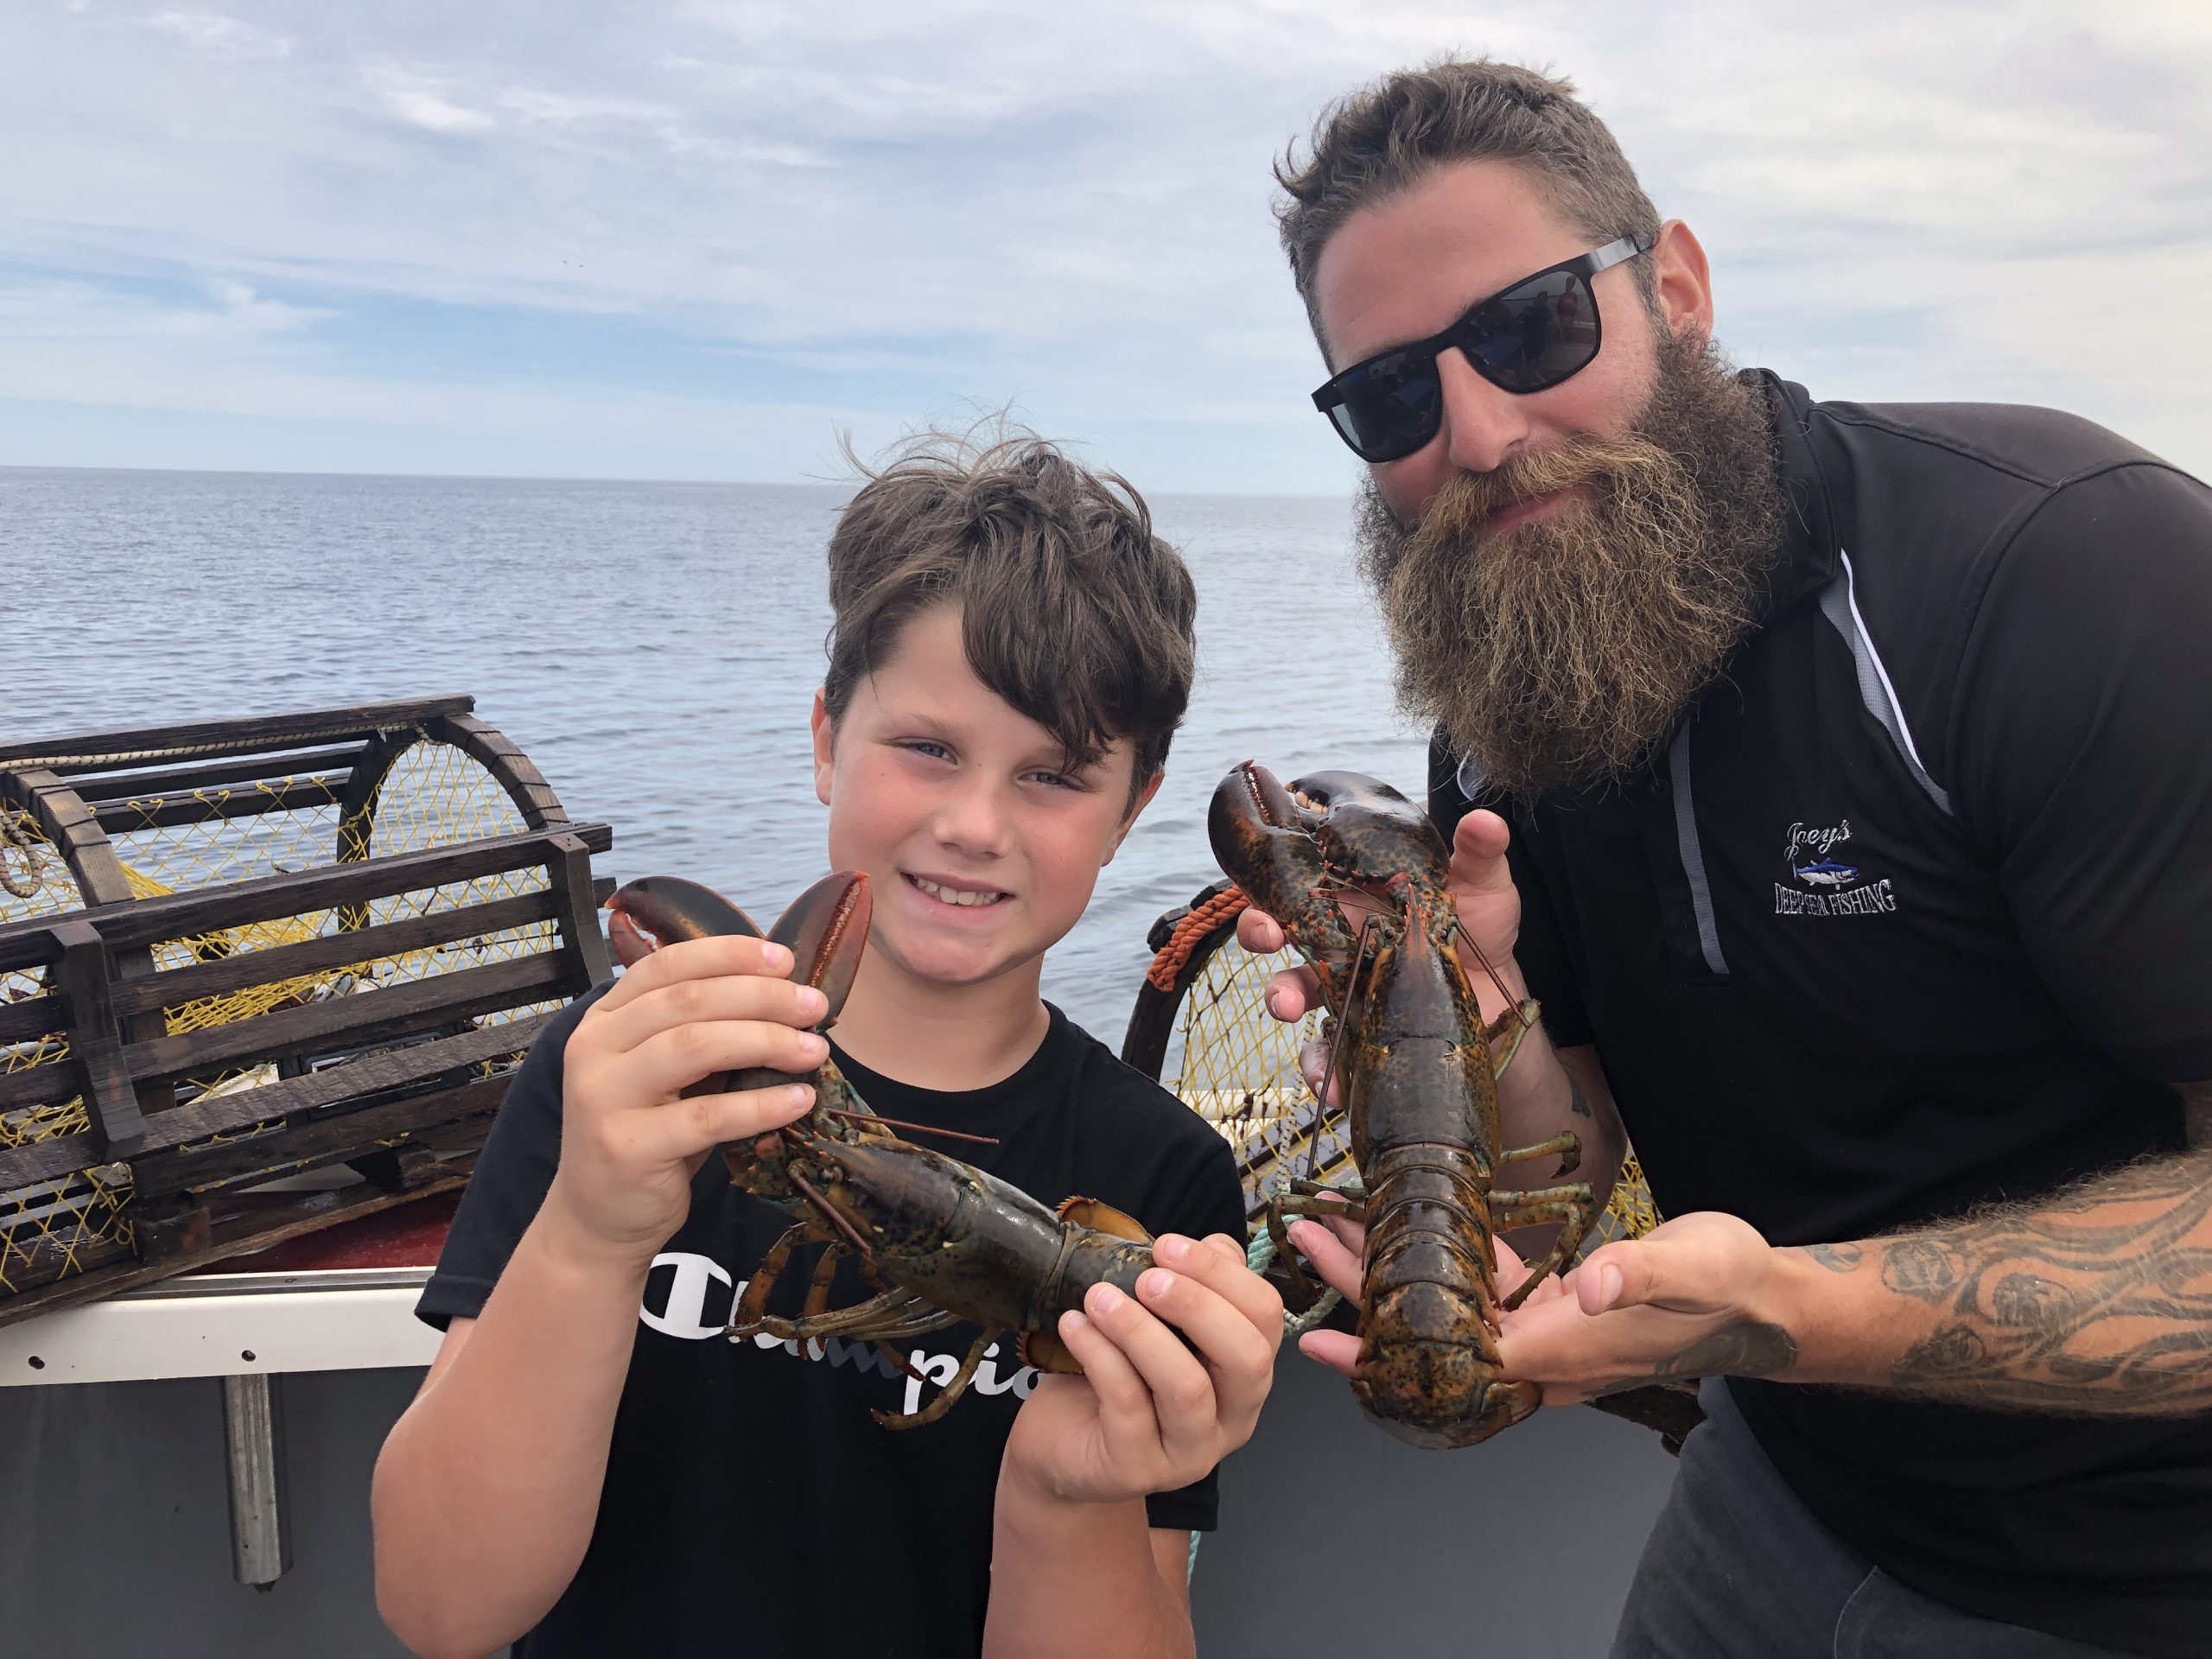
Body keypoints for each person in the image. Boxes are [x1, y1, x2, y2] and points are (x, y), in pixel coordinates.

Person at [1249, 59, 2212, 1659]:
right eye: (1393, 398)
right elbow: (1573, 1161)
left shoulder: (2064, 574)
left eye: (1534, 327)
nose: (1479, 432)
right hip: (1782, 1496)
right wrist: (1491, 1042)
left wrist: (1787, 1313)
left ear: (1675, 287)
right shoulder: (1513, 690)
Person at [372, 433, 1281, 1659]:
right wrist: (591, 1230)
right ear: (823, 740)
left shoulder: (1159, 1177)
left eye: (1055, 775)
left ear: (1133, 807)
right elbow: (440, 1609)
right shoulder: (630, 1082)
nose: (973, 826)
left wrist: (1071, 1494)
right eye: (929, 747)